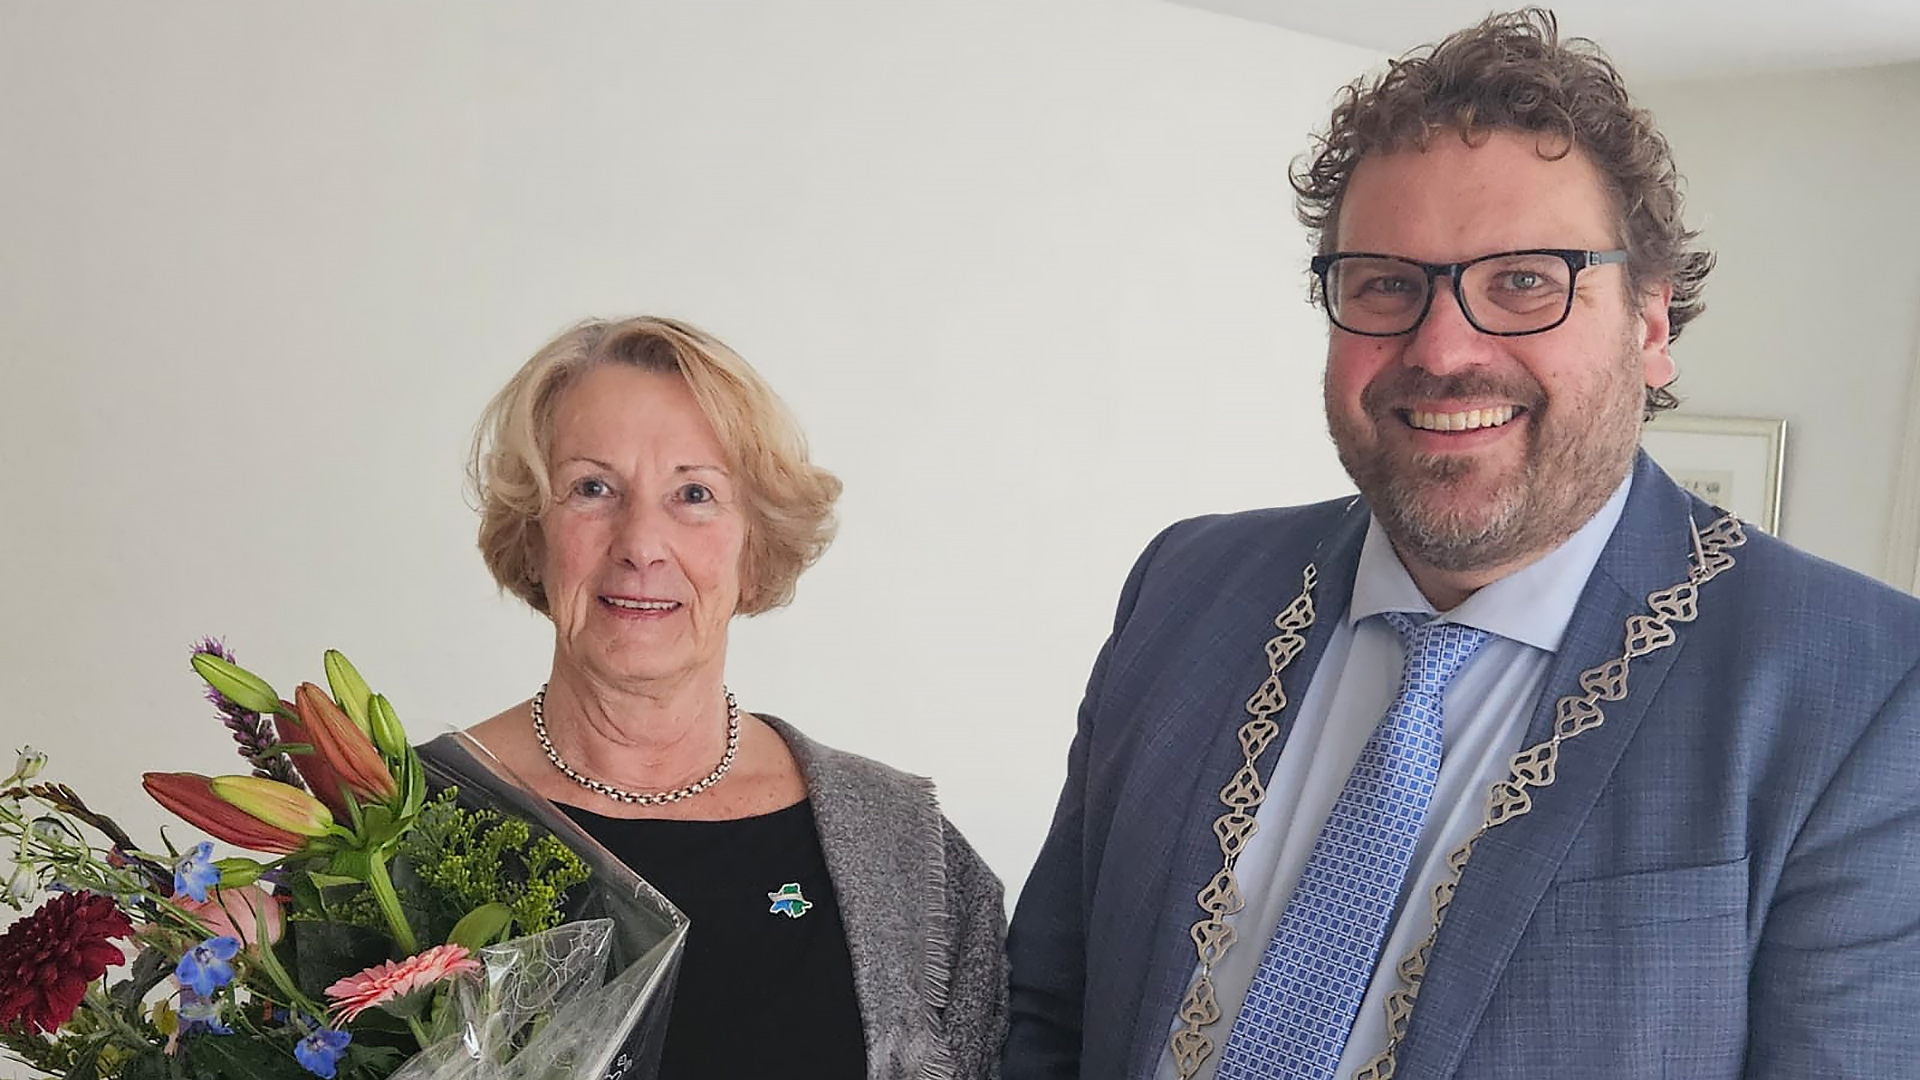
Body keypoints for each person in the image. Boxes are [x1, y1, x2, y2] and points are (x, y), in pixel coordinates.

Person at [1003, 9, 1920, 1080]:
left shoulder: (1863, 685)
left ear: (1651, 327)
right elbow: (1048, 1016)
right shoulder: (1187, 587)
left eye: (1525, 281)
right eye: (1386, 283)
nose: (1441, 348)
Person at [462, 315, 1007, 1079]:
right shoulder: (392, 823)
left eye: (693, 494)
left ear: (756, 544)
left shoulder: (909, 862)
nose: (641, 543)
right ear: (533, 532)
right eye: (592, 488)